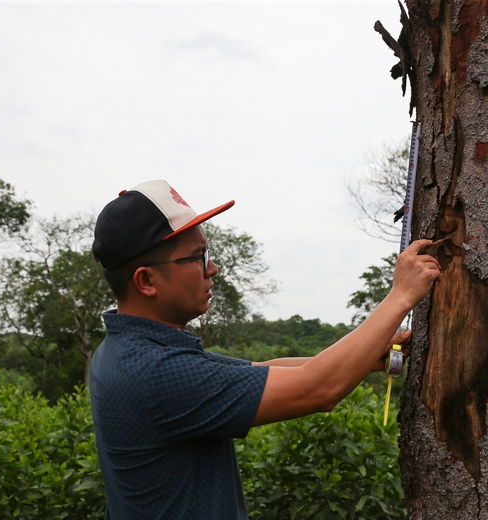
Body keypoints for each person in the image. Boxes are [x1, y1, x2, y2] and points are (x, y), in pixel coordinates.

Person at [89, 180, 440, 519]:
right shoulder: (156, 372)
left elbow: (262, 368)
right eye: (197, 257)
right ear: (146, 280)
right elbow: (316, 389)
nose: (212, 268)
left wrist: (366, 357)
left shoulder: (127, 350)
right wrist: (400, 296)